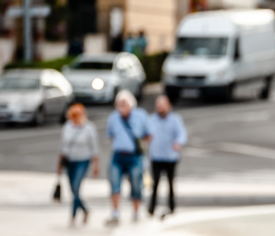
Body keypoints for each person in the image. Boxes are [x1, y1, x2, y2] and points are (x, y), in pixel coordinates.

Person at [105, 89, 150, 226]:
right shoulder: (113, 117)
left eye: (124, 103)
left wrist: (140, 146)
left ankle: (136, 212)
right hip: (118, 155)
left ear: (131, 104)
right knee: (114, 184)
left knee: (136, 184)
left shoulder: (140, 116)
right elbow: (111, 136)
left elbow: (147, 135)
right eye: (119, 104)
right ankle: (115, 213)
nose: (121, 106)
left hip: (134, 156)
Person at [146, 95, 187, 219]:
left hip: (170, 156)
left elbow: (182, 134)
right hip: (156, 156)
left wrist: (178, 142)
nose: (160, 107)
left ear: (169, 106)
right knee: (155, 183)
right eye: (158, 105)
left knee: (170, 183)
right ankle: (152, 207)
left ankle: (172, 206)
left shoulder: (175, 119)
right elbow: (146, 133)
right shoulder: (151, 119)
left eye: (162, 105)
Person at [58, 103, 99, 226]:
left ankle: (73, 216)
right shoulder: (67, 127)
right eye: (73, 115)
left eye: (77, 115)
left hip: (83, 160)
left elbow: (94, 148)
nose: (75, 118)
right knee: (73, 189)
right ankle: (85, 209)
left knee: (76, 186)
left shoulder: (89, 128)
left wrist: (96, 165)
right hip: (69, 160)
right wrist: (59, 166)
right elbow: (62, 147)